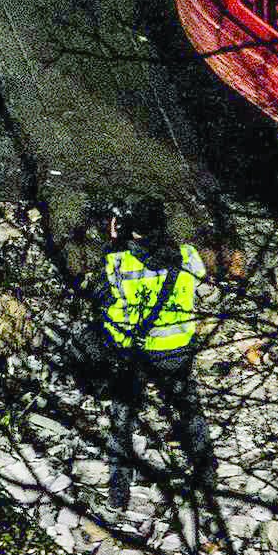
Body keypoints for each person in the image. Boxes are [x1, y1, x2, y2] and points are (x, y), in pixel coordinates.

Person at [98, 197, 212, 516]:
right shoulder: (187, 255)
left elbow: (107, 304)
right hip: (178, 349)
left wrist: (114, 243)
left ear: (131, 229)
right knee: (191, 413)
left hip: (137, 354)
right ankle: (207, 480)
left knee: (122, 421)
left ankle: (119, 494)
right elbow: (201, 284)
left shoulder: (119, 261)